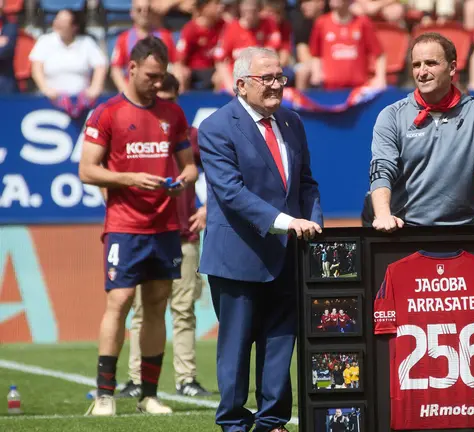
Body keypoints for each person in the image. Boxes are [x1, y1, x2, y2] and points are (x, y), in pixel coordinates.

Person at [197, 47, 323, 432]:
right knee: (235, 348)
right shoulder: (215, 127)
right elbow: (231, 193)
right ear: (240, 84)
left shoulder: (292, 122)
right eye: (265, 78)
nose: (275, 85)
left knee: (280, 344)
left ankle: (272, 422)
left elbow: (305, 182)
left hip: (288, 254)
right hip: (238, 254)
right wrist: (287, 222)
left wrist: (313, 224)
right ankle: (234, 424)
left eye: (279, 77)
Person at [78, 36, 198, 416]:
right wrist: (130, 179)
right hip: (125, 225)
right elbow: (87, 170)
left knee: (157, 305)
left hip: (165, 226)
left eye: (161, 76)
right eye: (150, 75)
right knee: (119, 301)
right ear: (131, 69)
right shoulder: (106, 112)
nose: (156, 83)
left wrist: (185, 180)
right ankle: (105, 395)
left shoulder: (173, 115)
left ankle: (149, 395)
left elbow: (190, 164)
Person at [116, 73, 212, 399]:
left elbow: (222, 171)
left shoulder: (190, 135)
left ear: (177, 98)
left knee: (183, 310)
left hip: (184, 235)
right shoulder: (135, 131)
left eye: (169, 100)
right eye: (160, 99)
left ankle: (186, 378)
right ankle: (136, 380)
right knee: (142, 311)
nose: (163, 106)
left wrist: (209, 208)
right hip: (148, 233)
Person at [369, 32, 474, 233]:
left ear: (452, 68)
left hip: (464, 231)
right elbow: (382, 169)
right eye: (416, 65)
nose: (422, 72)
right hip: (404, 232)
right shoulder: (391, 116)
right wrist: (382, 215)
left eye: (431, 63)